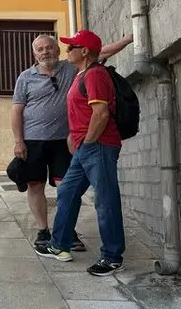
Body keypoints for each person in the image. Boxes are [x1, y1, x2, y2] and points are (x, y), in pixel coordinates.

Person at [12, 33, 131, 247]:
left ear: (57, 50)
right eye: (40, 49)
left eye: (49, 47)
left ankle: (68, 232)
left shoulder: (72, 69)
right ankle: (43, 231)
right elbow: (16, 112)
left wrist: (129, 39)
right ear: (34, 54)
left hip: (65, 141)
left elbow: (101, 52)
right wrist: (18, 141)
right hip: (33, 140)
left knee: (65, 187)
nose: (45, 52)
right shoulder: (25, 77)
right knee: (35, 185)